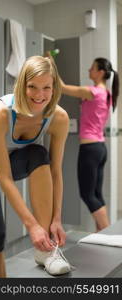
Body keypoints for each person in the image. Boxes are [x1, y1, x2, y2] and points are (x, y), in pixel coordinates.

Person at [0, 55, 71, 277]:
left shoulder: (58, 118)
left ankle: (46, 251)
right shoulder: (0, 113)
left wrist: (56, 219)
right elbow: (4, 177)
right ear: (22, 84)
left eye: (46, 88)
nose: (39, 95)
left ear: (54, 88)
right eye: (32, 86)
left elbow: (56, 172)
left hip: (14, 158)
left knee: (39, 153)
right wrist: (31, 226)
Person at [59, 57, 119, 232]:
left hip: (90, 148)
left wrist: (51, 63)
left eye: (92, 68)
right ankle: (101, 236)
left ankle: (109, 237)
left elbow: (62, 88)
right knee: (97, 195)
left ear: (100, 72)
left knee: (87, 194)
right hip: (100, 148)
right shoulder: (107, 94)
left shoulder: (93, 92)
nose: (88, 70)